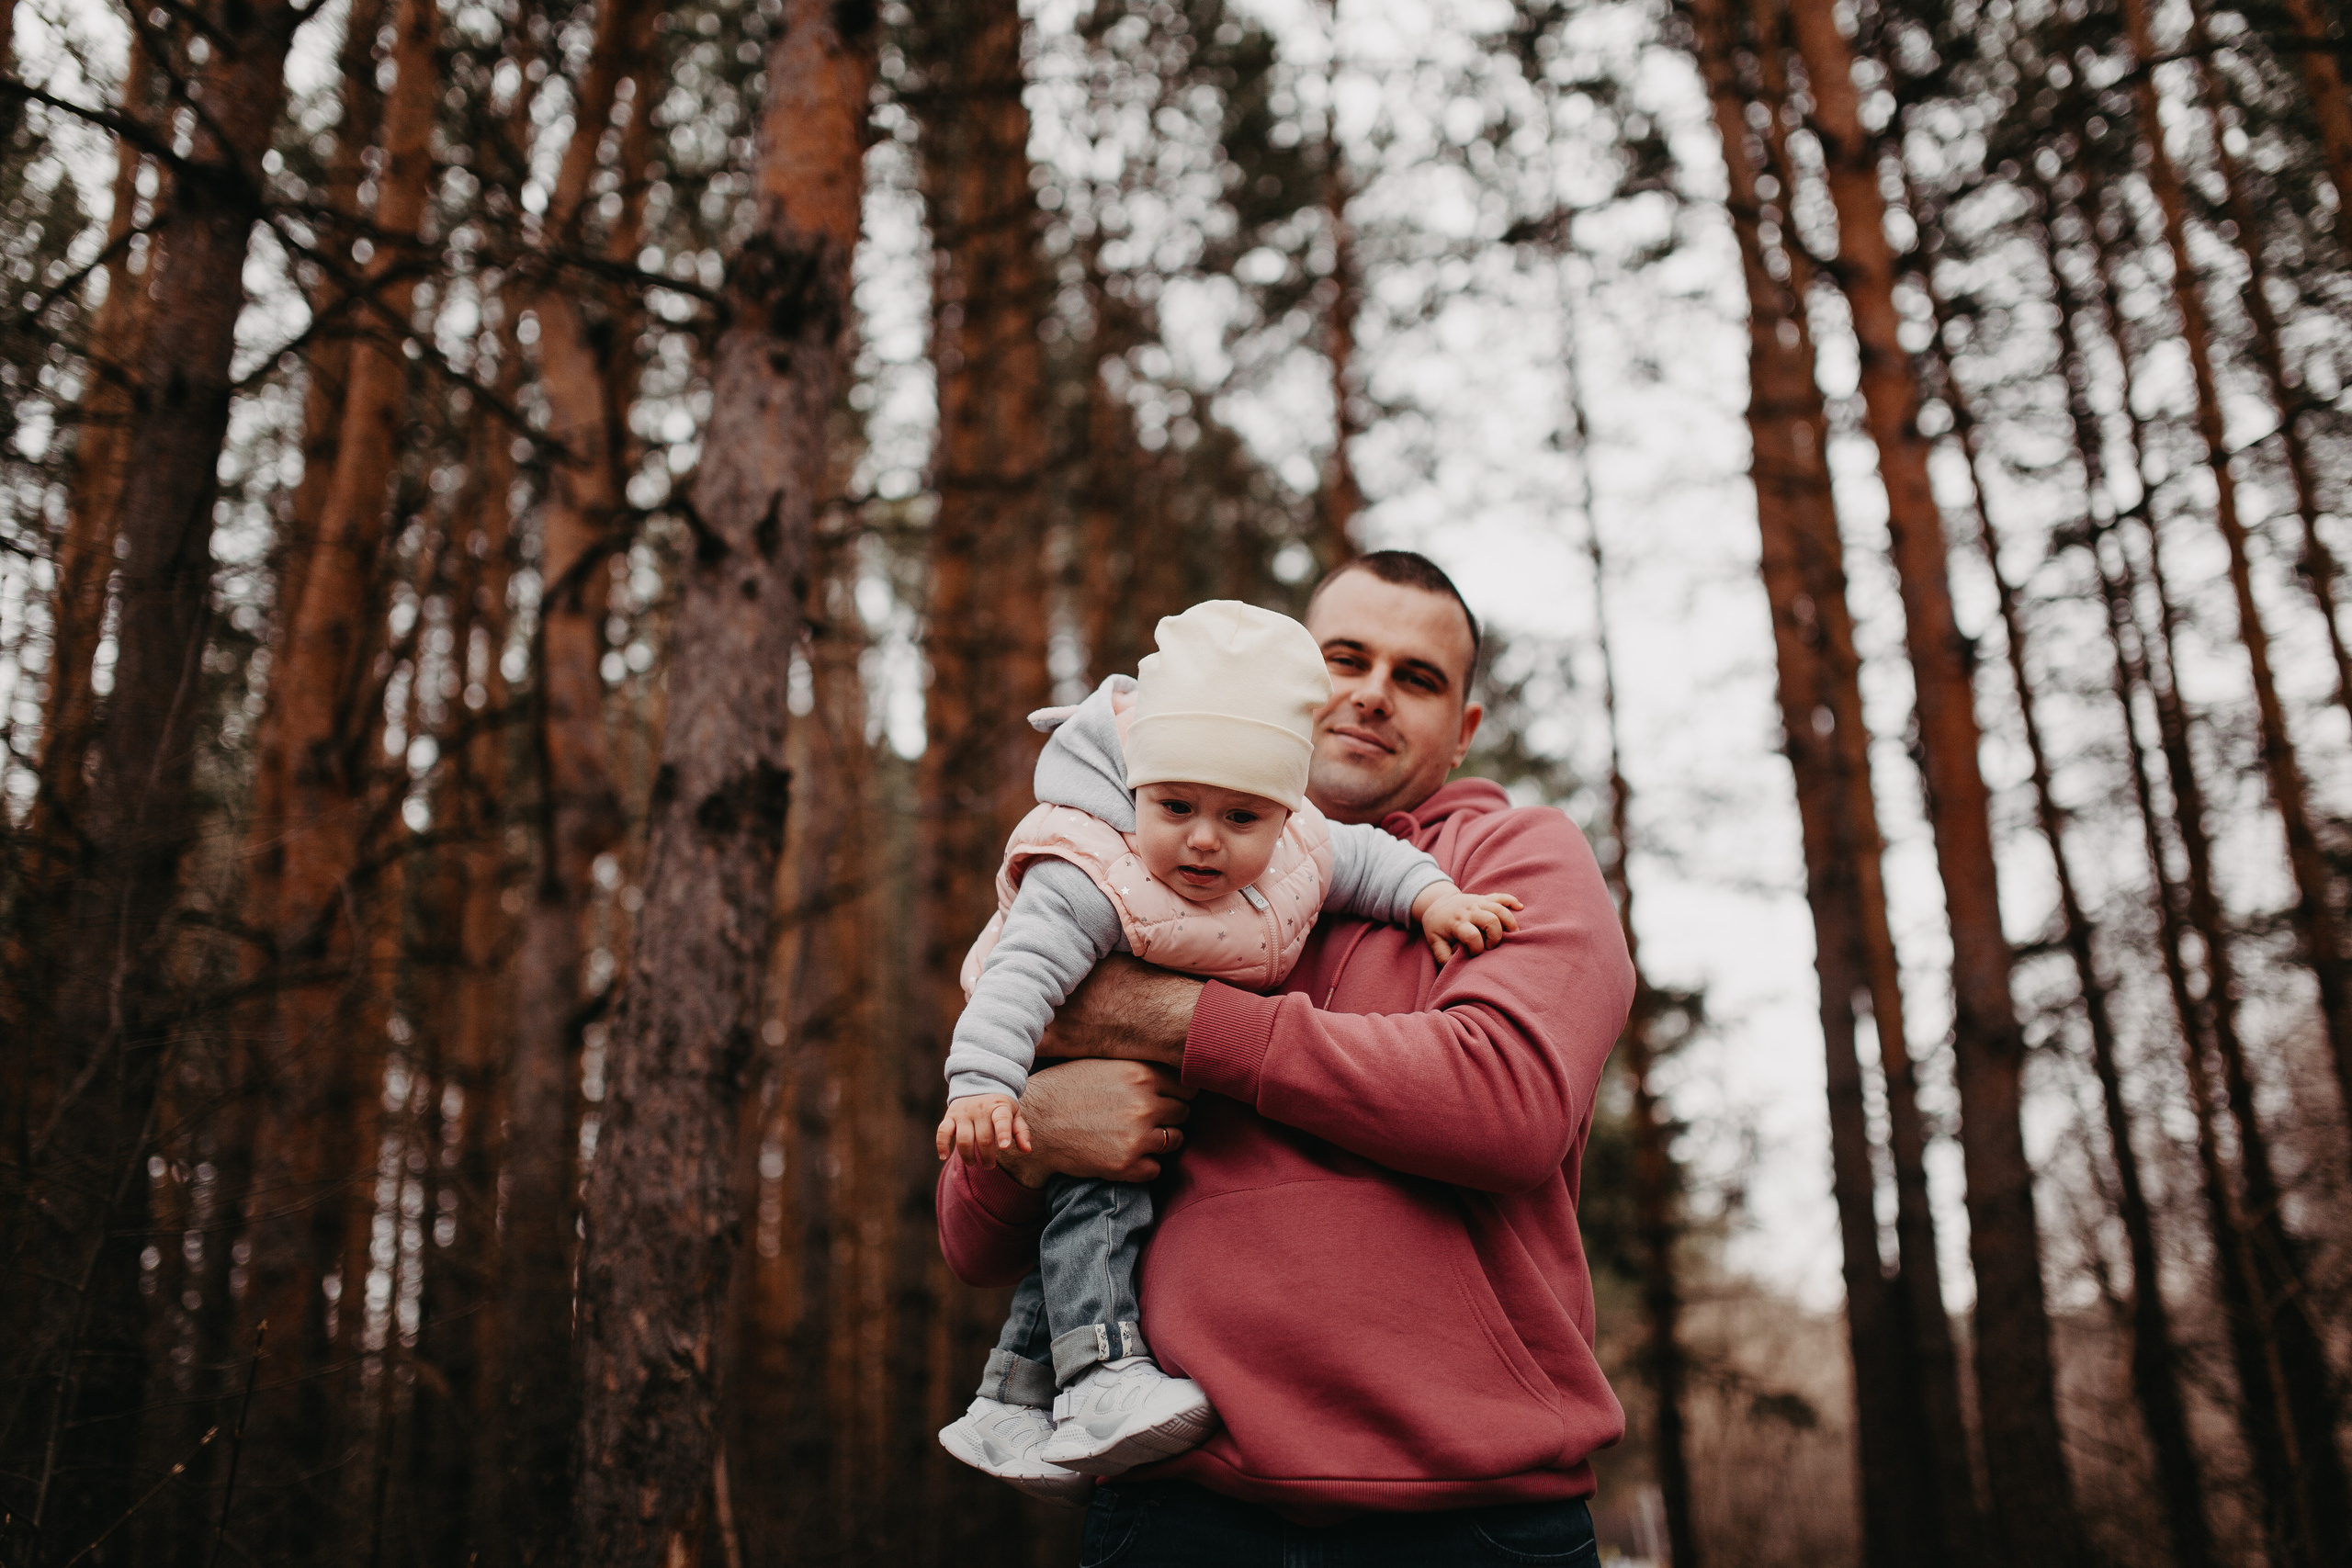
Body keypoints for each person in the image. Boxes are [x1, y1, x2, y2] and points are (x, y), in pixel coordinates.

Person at [935, 550, 1634, 1564]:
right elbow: (971, 1240)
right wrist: (1036, 1134)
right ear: (1288, 685)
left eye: (1418, 677)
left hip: (1472, 1519)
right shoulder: (1135, 870)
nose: (1371, 694)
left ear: (1464, 729)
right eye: (1343, 659)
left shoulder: (1510, 860)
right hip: (1175, 1508)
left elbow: (1505, 1102)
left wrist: (1170, 1021)